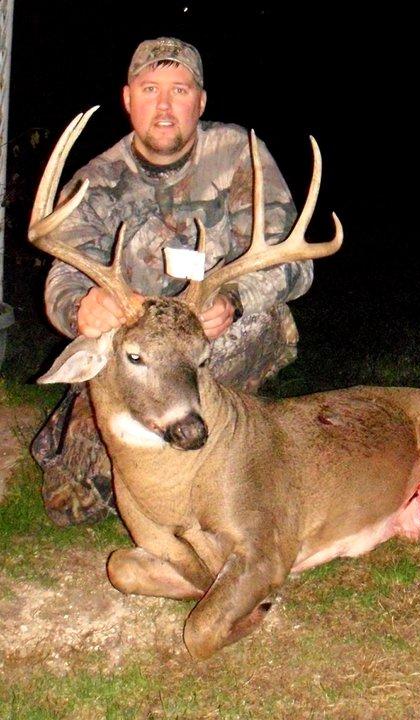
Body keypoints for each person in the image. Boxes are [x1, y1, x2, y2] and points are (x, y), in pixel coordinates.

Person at [31, 37, 313, 526]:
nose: (164, 106)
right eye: (149, 89)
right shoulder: (97, 179)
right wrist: (80, 306)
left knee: (263, 322)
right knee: (74, 503)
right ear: (127, 98)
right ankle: (96, 425)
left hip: (210, 338)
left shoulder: (237, 154)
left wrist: (233, 298)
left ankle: (221, 440)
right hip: (135, 350)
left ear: (200, 102)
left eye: (179, 90)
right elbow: (63, 274)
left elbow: (294, 264)